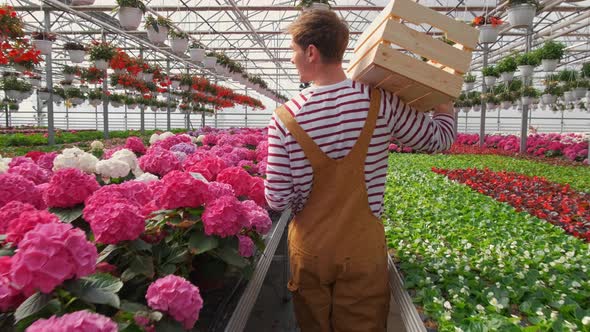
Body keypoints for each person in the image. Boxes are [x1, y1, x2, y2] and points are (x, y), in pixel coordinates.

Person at [264, 9, 455, 332]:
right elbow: (439, 140)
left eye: (294, 51)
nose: (293, 59)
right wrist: (443, 102)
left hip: (310, 251)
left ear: (312, 51)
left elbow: (277, 199)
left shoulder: (285, 118)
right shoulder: (380, 102)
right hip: (362, 251)